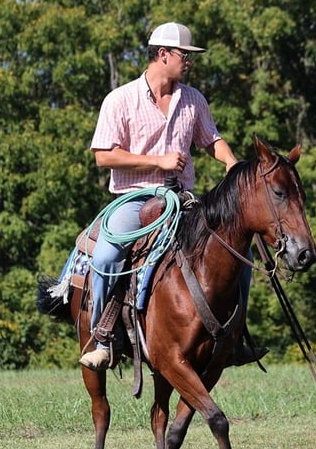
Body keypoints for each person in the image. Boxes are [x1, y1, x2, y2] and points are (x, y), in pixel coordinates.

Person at [80, 22, 267, 371]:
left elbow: (211, 140)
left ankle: (235, 338)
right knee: (106, 257)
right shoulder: (120, 99)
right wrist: (157, 161)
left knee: (240, 252)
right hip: (133, 200)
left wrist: (231, 163)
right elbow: (103, 155)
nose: (190, 62)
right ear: (162, 54)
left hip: (182, 201)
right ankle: (103, 339)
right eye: (185, 55)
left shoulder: (193, 99)